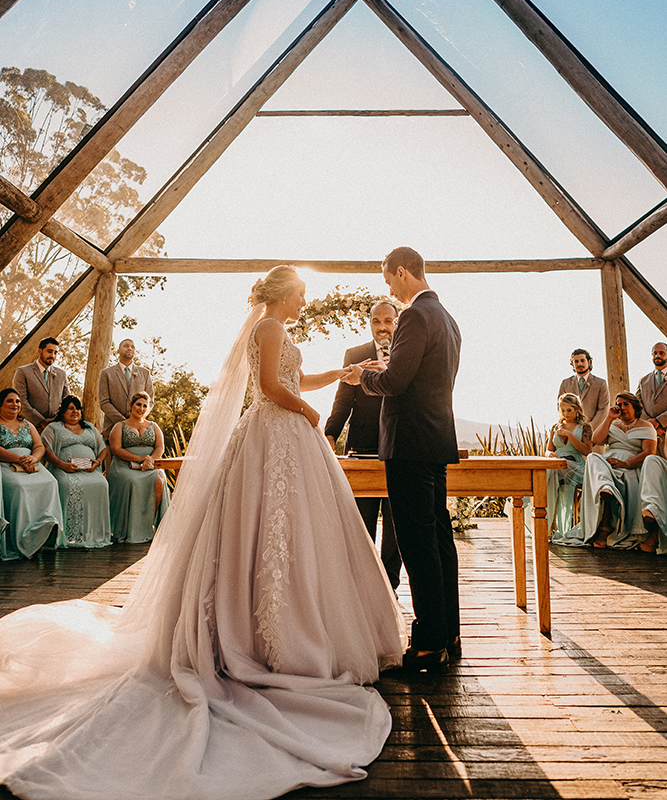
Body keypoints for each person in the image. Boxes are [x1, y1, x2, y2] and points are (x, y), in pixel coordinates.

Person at [0, 265, 406, 800]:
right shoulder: (269, 327)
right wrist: (310, 412)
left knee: (294, 536)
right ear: (283, 294)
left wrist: (337, 377)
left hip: (285, 435)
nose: (305, 302)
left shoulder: (278, 331)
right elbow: (269, 388)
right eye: (302, 294)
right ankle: (266, 634)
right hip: (273, 434)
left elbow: (289, 378)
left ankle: (293, 623)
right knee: (267, 534)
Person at [343, 247, 461, 672]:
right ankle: (449, 631)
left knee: (416, 543)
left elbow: (395, 381)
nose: (389, 289)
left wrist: (363, 376)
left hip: (409, 445)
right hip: (436, 442)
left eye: (389, 279)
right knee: (440, 540)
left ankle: (428, 643)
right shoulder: (448, 319)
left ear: (404, 272)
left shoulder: (413, 315)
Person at [325, 301, 402, 589]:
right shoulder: (355, 355)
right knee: (361, 525)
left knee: (396, 529)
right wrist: (330, 435)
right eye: (376, 321)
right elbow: (343, 400)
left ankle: (389, 587)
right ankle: (363, 589)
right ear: (370, 323)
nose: (382, 326)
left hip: (399, 451)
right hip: (361, 450)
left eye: (388, 321)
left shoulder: (407, 355)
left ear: (396, 322)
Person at [554, 393, 657, 550]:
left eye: (625, 404)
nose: (621, 408)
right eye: (618, 404)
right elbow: (596, 440)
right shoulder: (614, 425)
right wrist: (609, 418)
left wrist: (626, 463)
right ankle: (606, 487)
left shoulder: (646, 426)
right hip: (608, 466)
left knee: (611, 470)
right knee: (594, 457)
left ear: (635, 406)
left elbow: (649, 453)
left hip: (631, 466)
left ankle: (606, 525)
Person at [0, 387, 63, 560]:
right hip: (6, 464)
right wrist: (18, 459)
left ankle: (47, 530)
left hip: (31, 463)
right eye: (10, 401)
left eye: (18, 401)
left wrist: (33, 459)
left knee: (51, 482)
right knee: (19, 487)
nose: (15, 404)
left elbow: (39, 446)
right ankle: (21, 538)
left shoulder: (27, 424)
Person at [41, 395, 111, 549]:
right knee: (66, 485)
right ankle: (69, 534)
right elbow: (45, 449)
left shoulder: (89, 427)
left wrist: (98, 462)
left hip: (90, 471)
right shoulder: (54, 428)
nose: (75, 411)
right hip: (64, 470)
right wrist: (61, 464)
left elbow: (103, 449)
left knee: (102, 483)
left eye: (78, 408)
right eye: (71, 408)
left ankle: (94, 534)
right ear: (63, 411)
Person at [107, 390, 169, 543]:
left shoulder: (154, 426)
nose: (141, 408)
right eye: (138, 405)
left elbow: (160, 447)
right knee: (132, 482)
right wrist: (139, 458)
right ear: (131, 406)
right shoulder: (119, 426)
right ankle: (132, 528)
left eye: (145, 406)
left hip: (149, 466)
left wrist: (150, 460)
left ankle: (148, 524)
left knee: (159, 478)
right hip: (124, 466)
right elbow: (116, 449)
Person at [546, 393, 592, 538]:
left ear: (577, 409)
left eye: (569, 410)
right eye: (562, 410)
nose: (565, 414)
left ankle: (536, 505)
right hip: (557, 465)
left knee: (553, 470)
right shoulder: (556, 426)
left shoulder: (585, 427)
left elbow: (587, 450)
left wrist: (570, 434)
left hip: (577, 466)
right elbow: (549, 450)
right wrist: (550, 455)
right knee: (552, 469)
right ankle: (547, 526)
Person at [98, 338, 154, 440]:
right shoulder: (106, 373)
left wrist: (136, 420)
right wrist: (124, 423)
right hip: (112, 430)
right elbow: (104, 402)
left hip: (138, 432)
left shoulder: (145, 373)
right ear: (118, 351)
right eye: (126, 346)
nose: (129, 348)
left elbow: (150, 401)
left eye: (132, 347)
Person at [12, 336, 70, 432]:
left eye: (55, 353)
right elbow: (21, 401)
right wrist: (41, 421)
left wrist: (55, 421)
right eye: (49, 351)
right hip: (30, 427)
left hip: (57, 427)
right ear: (39, 351)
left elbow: (66, 401)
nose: (53, 356)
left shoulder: (61, 374)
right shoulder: (22, 372)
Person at [558, 348, 610, 435]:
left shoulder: (601, 383)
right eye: (576, 361)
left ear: (589, 362)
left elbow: (604, 409)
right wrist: (571, 427)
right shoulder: (565, 384)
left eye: (582, 360)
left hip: (594, 433)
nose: (580, 364)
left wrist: (588, 429)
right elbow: (560, 407)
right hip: (570, 433)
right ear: (572, 364)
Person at [636, 340, 667, 454]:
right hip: (648, 434)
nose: (657, 355)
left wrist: (659, 422)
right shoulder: (643, 381)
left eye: (661, 353)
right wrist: (649, 424)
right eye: (655, 353)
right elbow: (636, 405)